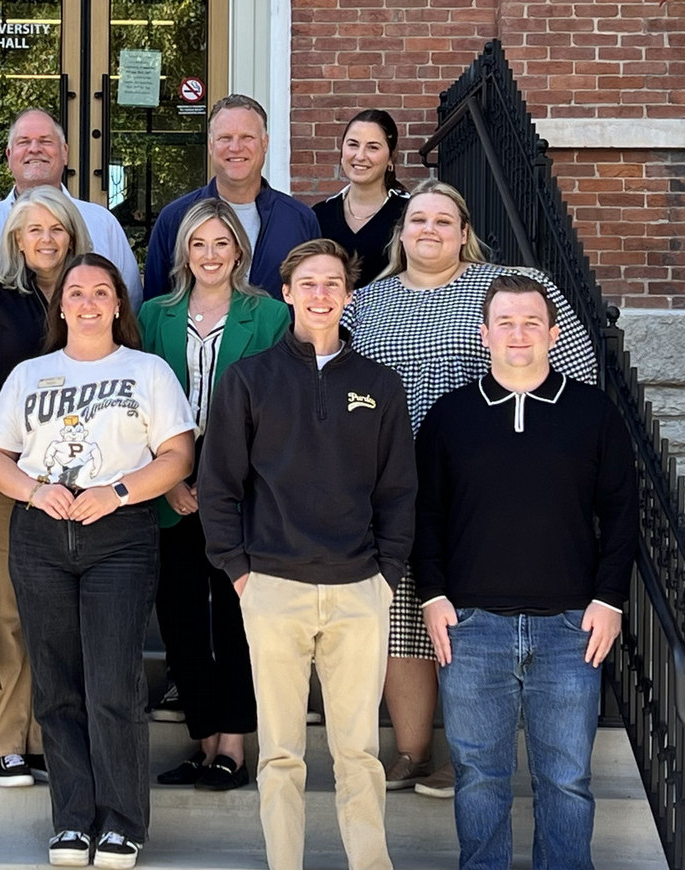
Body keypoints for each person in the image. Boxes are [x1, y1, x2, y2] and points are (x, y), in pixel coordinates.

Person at [342, 178, 598, 799]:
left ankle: (466, 755)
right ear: (400, 233)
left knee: (467, 612)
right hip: (392, 478)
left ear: (464, 233)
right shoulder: (367, 302)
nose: (428, 230)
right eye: (417, 220)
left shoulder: (506, 288)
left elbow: (577, 369)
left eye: (442, 221)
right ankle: (411, 751)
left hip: (486, 475)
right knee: (403, 613)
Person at [199, 239, 416, 870]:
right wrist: (240, 572)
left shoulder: (378, 382)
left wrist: (386, 577)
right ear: (287, 293)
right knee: (281, 752)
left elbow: (398, 489)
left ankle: (370, 862)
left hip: (359, 590)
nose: (321, 295)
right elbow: (219, 487)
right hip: (272, 588)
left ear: (347, 295)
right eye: (308, 284)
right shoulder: (249, 379)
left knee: (358, 754)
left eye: (333, 284)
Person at [414, 273, 638, 869]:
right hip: (472, 625)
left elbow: (621, 513)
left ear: (553, 332)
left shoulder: (592, 414)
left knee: (566, 779)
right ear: (483, 333)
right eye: (506, 323)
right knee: (478, 777)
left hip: (570, 630)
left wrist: (610, 600)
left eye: (531, 322)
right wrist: (433, 595)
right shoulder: (451, 415)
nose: (519, 334)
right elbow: (426, 513)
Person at [0, 253, 194, 869]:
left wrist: (118, 491)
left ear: (118, 304)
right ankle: (73, 821)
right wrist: (32, 490)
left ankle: (121, 821)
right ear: (62, 305)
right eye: (78, 292)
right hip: (41, 534)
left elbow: (177, 455)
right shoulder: (31, 373)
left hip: (120, 536)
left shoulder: (146, 370)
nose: (90, 302)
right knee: (55, 682)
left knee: (113, 683)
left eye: (103, 292)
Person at [138, 198, 290, 791]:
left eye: (220, 244)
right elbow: (137, 402)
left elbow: (278, 407)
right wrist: (172, 478)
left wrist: (220, 482)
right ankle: (202, 742)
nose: (209, 255)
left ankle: (234, 746)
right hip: (167, 490)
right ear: (183, 254)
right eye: (197, 245)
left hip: (244, 490)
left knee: (235, 619)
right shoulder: (153, 315)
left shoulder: (269, 315)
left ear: (239, 251)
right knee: (178, 620)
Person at [0, 185, 93, 787]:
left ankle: (48, 735)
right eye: (32, 230)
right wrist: (24, 466)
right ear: (17, 239)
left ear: (72, 235)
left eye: (56, 229)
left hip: (83, 478)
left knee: (59, 613)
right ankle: (2, 740)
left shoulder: (93, 292)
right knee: (7, 610)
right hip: (12, 474)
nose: (45, 239)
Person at [0, 108, 143, 364]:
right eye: (24, 142)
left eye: (46, 141)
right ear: (9, 155)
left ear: (65, 153)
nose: (34, 149)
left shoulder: (101, 223)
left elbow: (130, 305)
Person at [143, 94, 320, 301]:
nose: (235, 147)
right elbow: (155, 305)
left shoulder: (298, 220)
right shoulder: (175, 218)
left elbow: (314, 297)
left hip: (278, 334)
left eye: (247, 137)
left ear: (265, 143)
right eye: (225, 138)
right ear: (210, 145)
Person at [312, 109, 409, 287]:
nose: (360, 156)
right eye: (353, 145)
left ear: (391, 158)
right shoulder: (319, 215)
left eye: (373, 147)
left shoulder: (409, 213)